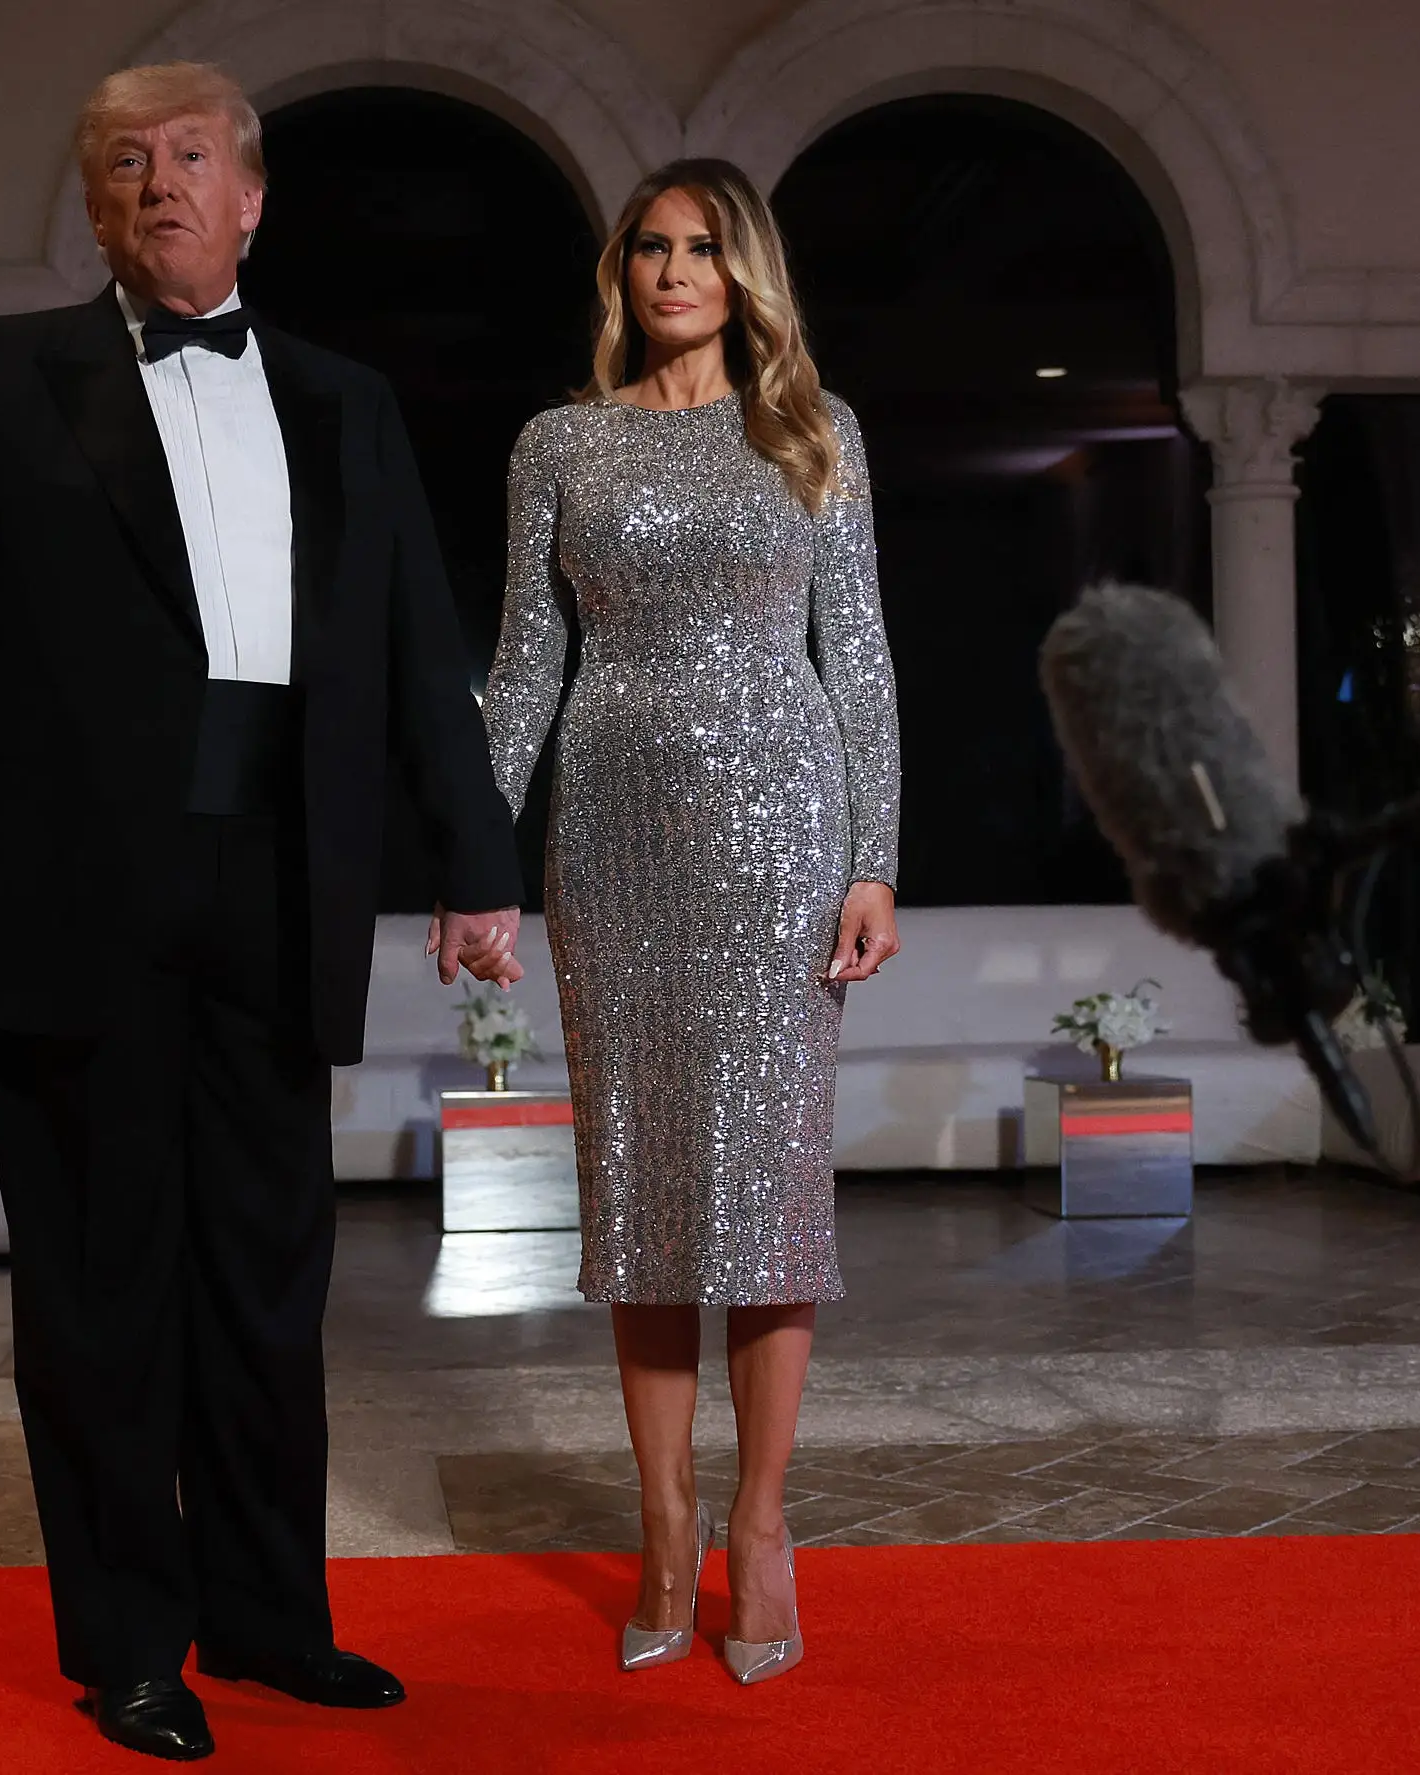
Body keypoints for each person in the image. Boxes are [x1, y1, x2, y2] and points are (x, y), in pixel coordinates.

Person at [0, 62, 524, 1763]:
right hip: (80, 884)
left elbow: (405, 644)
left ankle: (269, 1618)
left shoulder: (343, 397)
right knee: (96, 1286)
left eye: (193, 155)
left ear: (250, 199)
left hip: (280, 870)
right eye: (126, 164)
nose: (161, 182)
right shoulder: (4, 367)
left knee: (263, 1275)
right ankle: (128, 1643)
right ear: (100, 209)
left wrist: (476, 862)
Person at [481, 159, 902, 1686]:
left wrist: (874, 856)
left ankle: (765, 1522)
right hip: (609, 840)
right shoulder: (558, 444)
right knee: (645, 1194)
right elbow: (525, 666)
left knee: (771, 1201)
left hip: (783, 840)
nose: (671, 271)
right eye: (649, 247)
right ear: (623, 271)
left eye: (701, 249)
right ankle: (662, 1525)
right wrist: (475, 853)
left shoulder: (809, 431)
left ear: (744, 273)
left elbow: (856, 660)